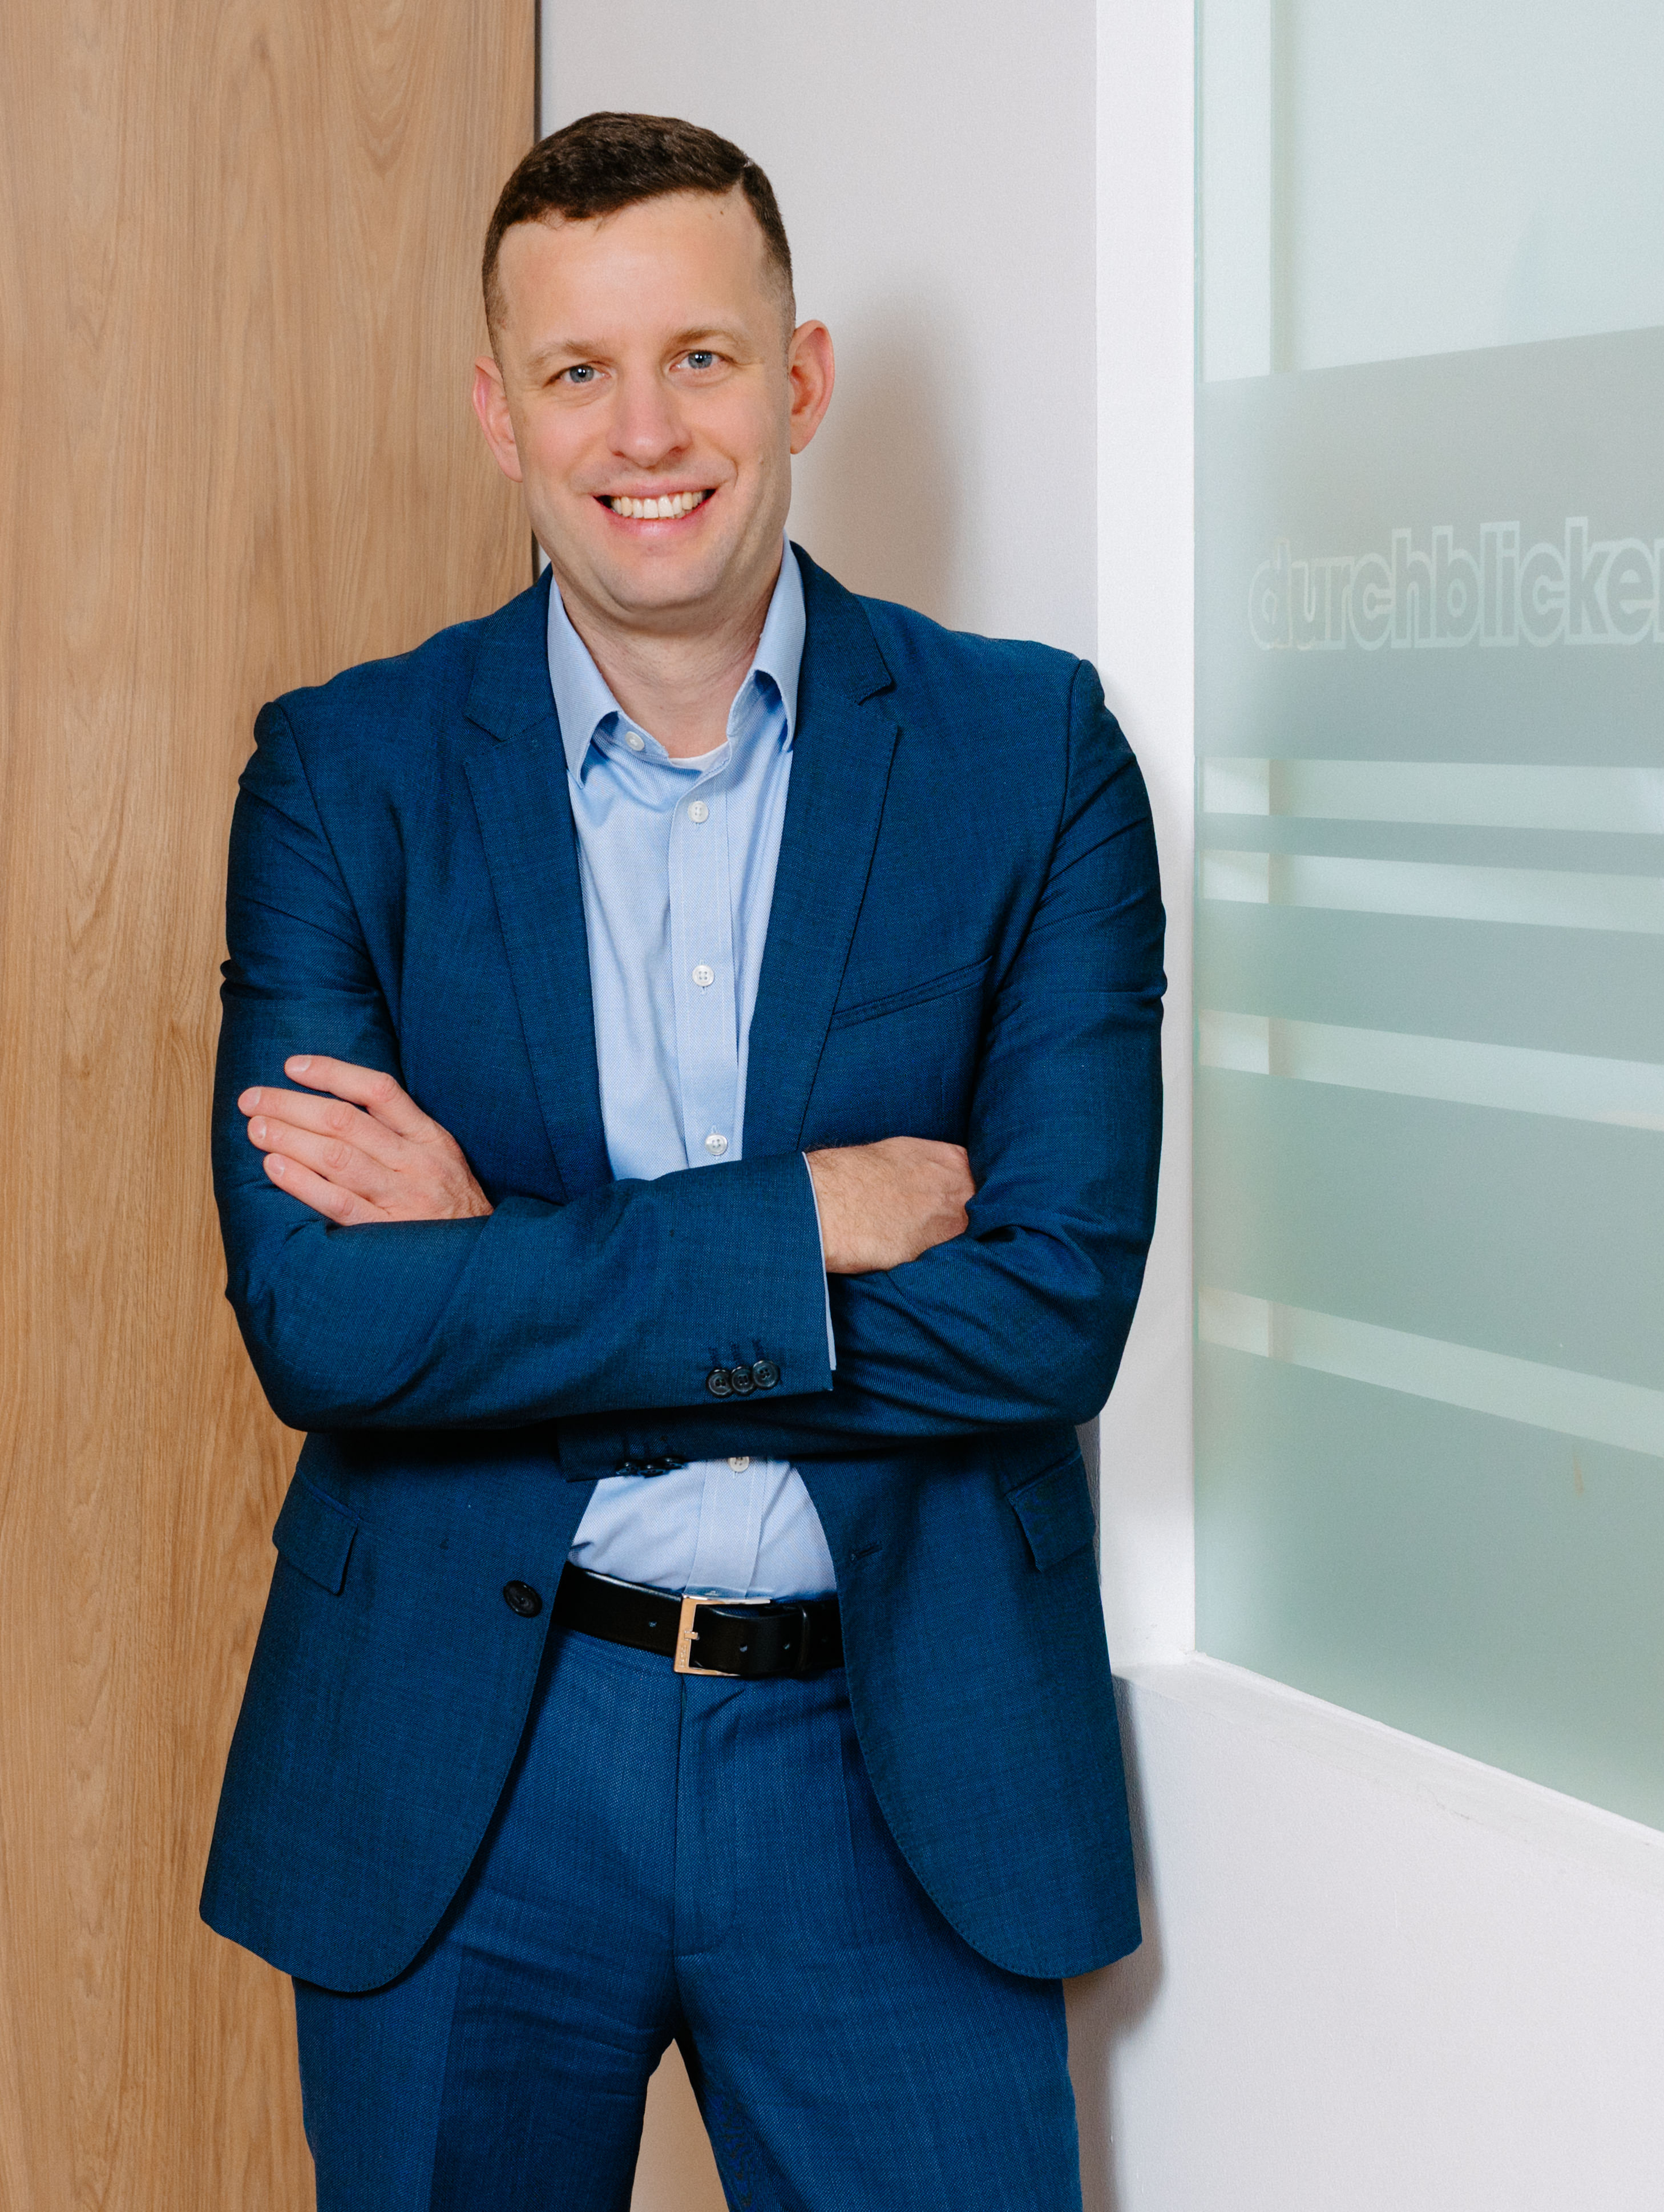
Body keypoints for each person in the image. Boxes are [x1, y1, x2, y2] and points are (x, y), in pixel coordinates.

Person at [198, 111, 1164, 2211]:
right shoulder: (343, 776)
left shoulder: (1032, 758)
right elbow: (326, 1322)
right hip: (469, 1754)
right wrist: (794, 1230)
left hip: (897, 1771)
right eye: (579, 371)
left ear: (796, 378)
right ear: (500, 414)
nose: (644, 431)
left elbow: (1049, 1313)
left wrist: (508, 1264)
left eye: (700, 358)